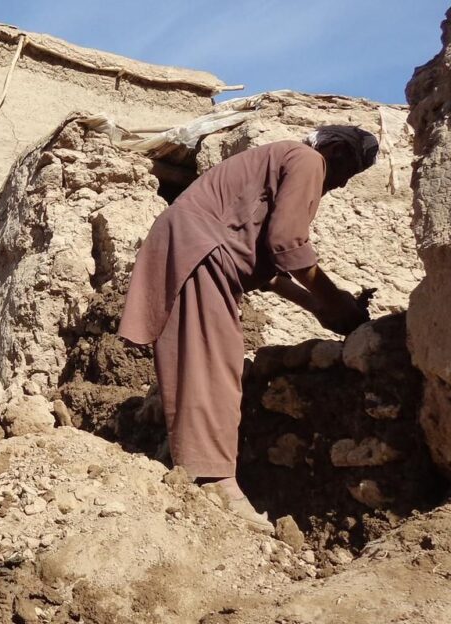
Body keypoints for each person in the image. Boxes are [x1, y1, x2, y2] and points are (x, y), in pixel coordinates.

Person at [118, 127, 378, 533]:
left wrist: (317, 307)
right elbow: (287, 242)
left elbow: (268, 269)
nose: (342, 183)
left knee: (197, 360)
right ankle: (216, 481)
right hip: (201, 249)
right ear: (336, 149)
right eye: (348, 170)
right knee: (216, 362)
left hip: (193, 247)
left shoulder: (276, 162)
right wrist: (335, 301)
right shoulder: (309, 160)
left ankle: (194, 465)